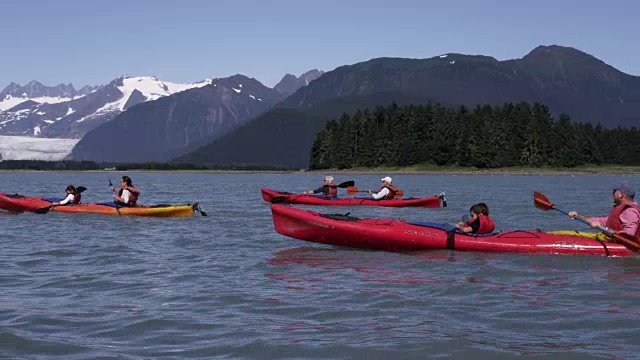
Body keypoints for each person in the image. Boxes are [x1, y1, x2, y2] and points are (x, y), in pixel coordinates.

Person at [568, 182, 640, 241]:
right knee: (569, 234)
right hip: (610, 239)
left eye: (614, 192)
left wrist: (603, 228)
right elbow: (602, 221)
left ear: (620, 194)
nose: (612, 194)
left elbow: (628, 235)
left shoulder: (630, 211)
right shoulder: (622, 209)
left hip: (622, 244)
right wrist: (579, 216)